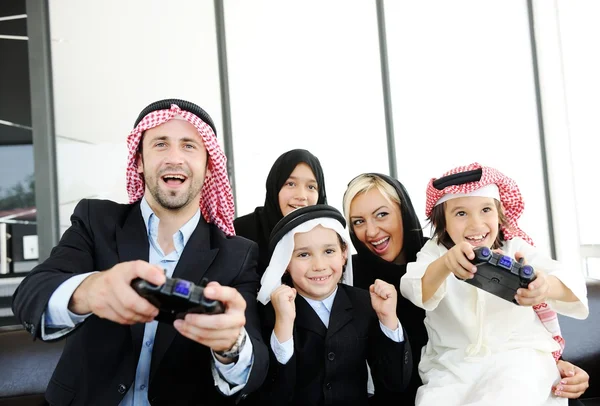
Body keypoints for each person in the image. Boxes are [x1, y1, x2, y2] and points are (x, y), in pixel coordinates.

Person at [11, 99, 268, 406]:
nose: (175, 158)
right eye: (161, 144)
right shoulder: (96, 222)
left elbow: (256, 369)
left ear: (209, 166)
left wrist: (231, 344)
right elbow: (31, 296)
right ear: (139, 161)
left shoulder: (238, 255)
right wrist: (91, 291)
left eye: (189, 146)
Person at [343, 172, 591, 405]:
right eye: (461, 213)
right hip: (450, 368)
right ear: (444, 222)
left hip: (515, 359)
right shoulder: (428, 256)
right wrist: (445, 264)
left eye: (485, 210)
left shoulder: (514, 249)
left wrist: (544, 287)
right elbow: (414, 286)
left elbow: (566, 281)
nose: (475, 224)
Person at [254, 205, 412, 405]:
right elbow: (273, 395)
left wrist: (389, 320)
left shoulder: (365, 303)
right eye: (304, 254)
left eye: (329, 251)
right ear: (285, 262)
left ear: (344, 253)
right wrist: (283, 324)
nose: (319, 265)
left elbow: (395, 382)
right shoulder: (269, 313)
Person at [234, 149, 327, 276]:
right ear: (275, 186)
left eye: (311, 187)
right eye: (291, 184)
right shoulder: (242, 231)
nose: (301, 196)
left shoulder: (328, 235)